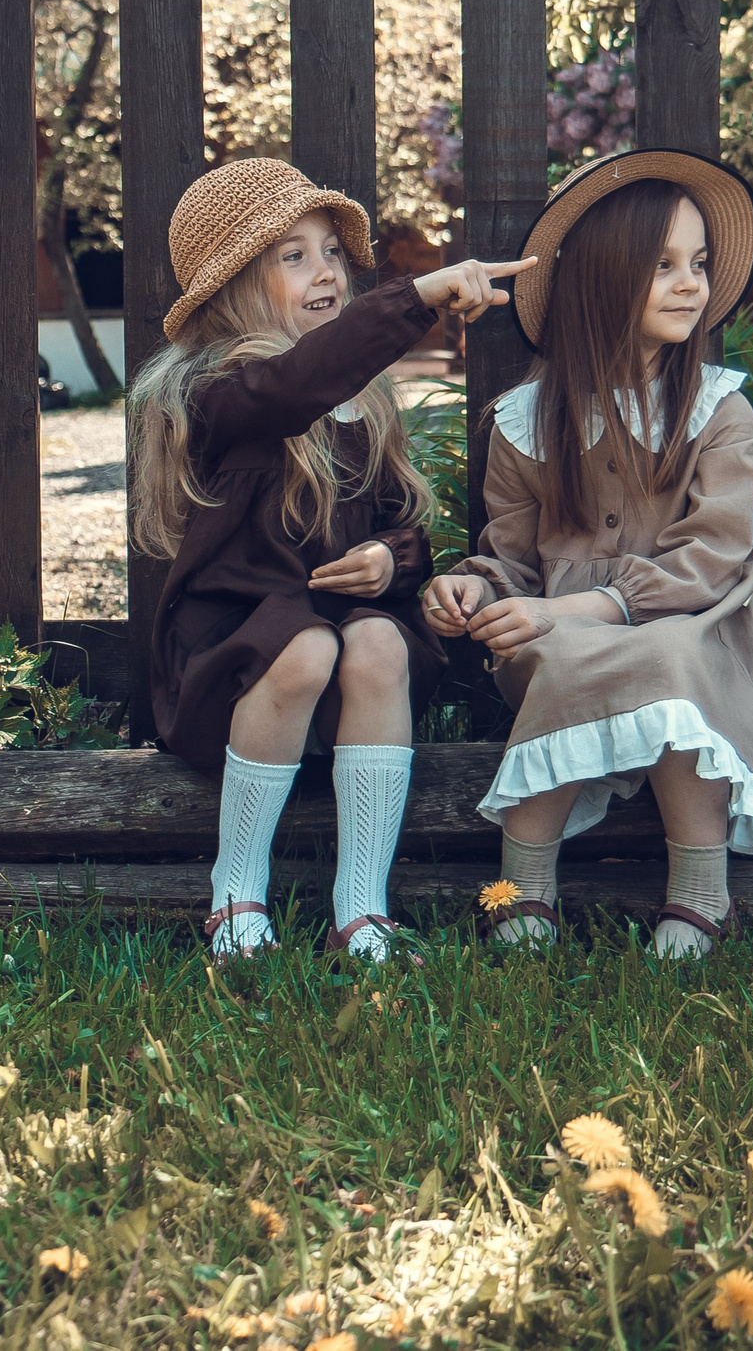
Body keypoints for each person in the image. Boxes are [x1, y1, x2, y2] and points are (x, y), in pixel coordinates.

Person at [420, 149, 753, 958]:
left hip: (700, 626)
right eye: (665, 264)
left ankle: (701, 895)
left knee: (667, 654)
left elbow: (711, 558)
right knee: (558, 644)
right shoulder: (526, 421)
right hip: (559, 632)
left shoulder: (719, 411)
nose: (691, 283)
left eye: (700, 264)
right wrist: (470, 588)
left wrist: (575, 609)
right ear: (603, 279)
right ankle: (516, 891)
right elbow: (513, 560)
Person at [130, 158, 532, 961]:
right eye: (293, 256)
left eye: (332, 253)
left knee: (379, 637)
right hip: (235, 665)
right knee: (306, 642)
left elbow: (401, 524)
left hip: (341, 668)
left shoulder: (362, 403)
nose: (327, 271)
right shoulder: (221, 398)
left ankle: (363, 907)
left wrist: (389, 556)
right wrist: (417, 297)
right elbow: (292, 386)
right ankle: (237, 889)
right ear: (238, 286)